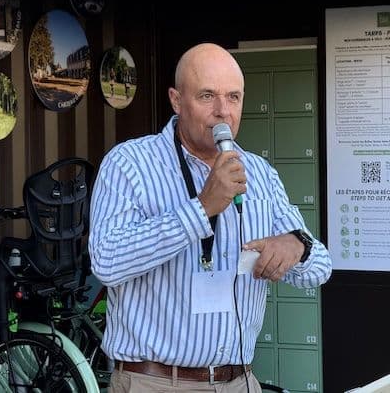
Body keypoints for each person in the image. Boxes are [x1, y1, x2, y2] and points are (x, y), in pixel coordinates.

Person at [89, 43, 332, 393]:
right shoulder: (129, 164)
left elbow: (320, 268)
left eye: (234, 97)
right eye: (207, 96)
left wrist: (296, 246)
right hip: (155, 382)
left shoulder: (260, 173)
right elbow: (107, 262)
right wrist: (201, 209)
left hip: (239, 381)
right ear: (176, 100)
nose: (223, 111)